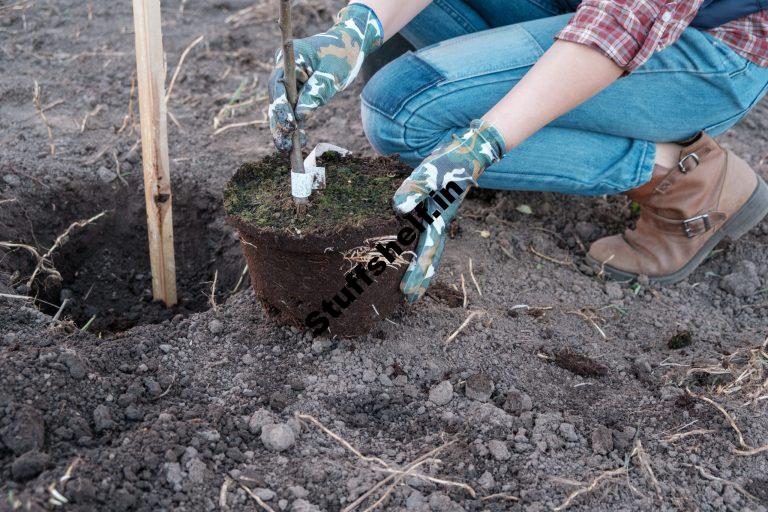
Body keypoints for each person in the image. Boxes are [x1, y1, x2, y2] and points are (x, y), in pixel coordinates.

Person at [268, 0, 768, 303]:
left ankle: (684, 177)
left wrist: (479, 144)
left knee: (400, 113)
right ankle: (492, 117)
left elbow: (624, 20)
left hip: (705, 50)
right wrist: (354, 31)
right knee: (389, 44)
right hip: (583, 10)